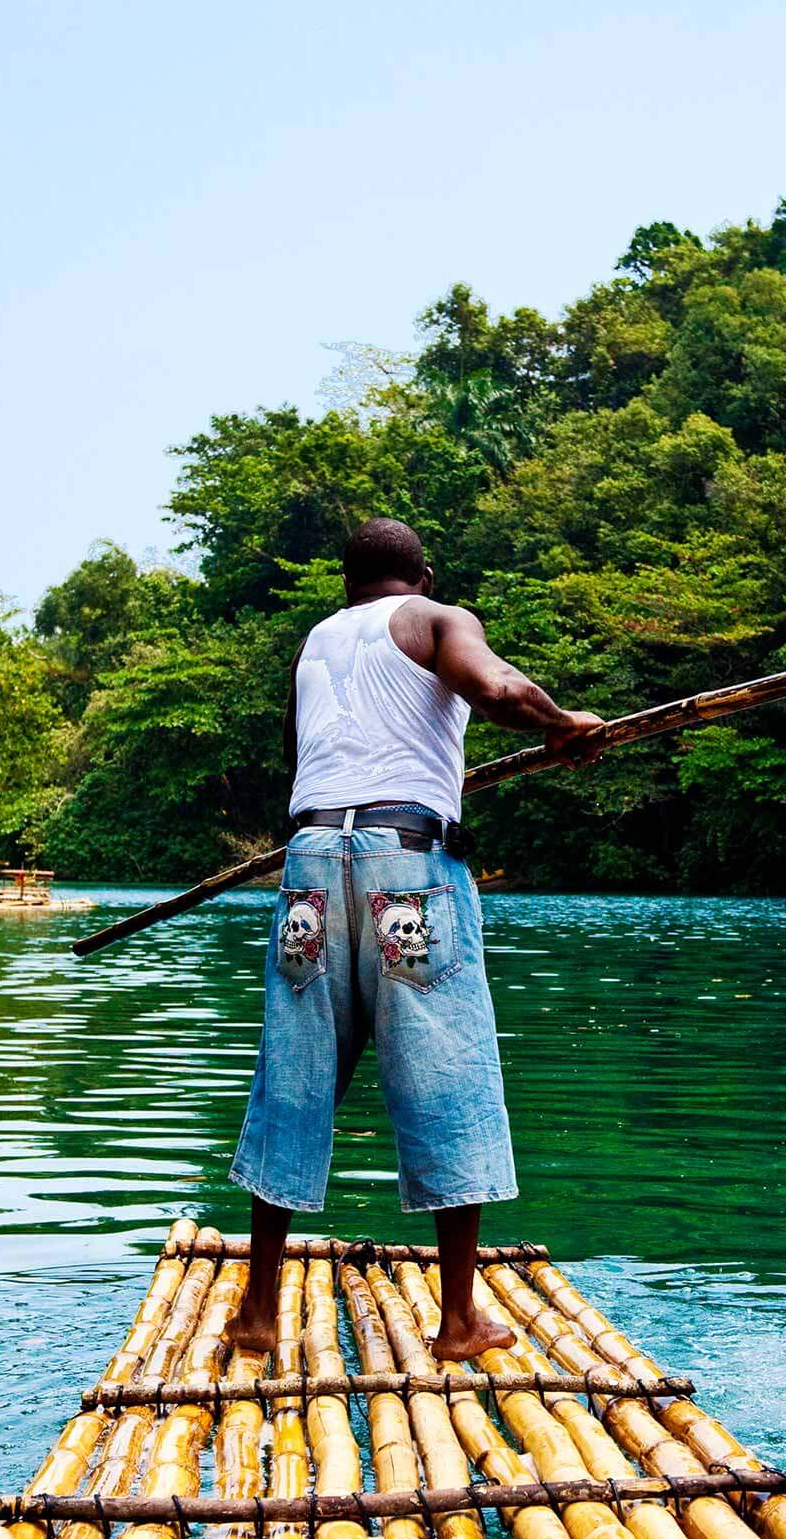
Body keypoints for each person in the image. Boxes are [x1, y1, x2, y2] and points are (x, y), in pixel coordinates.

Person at [230, 516, 603, 1360]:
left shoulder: (314, 644)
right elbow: (499, 690)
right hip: (409, 867)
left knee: (293, 1076)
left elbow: (310, 761)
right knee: (446, 1073)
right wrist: (562, 720)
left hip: (311, 863)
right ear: (423, 576)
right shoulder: (439, 620)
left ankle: (257, 1312)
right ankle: (460, 1321)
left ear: (346, 585)